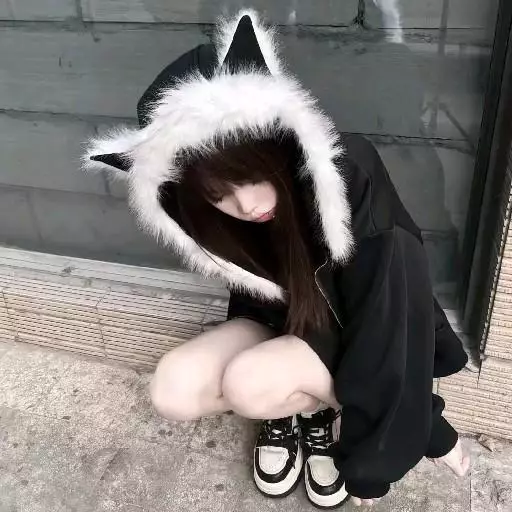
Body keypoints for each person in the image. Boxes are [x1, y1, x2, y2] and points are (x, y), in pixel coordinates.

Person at [84, 10, 470, 508]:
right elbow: (254, 296)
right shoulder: (221, 221)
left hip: (356, 331)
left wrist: (403, 438)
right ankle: (294, 404)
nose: (246, 206)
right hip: (286, 324)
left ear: (277, 143)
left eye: (250, 177)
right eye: (219, 195)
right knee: (171, 390)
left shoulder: (349, 177)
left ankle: (329, 411)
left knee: (248, 384)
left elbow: (390, 316)